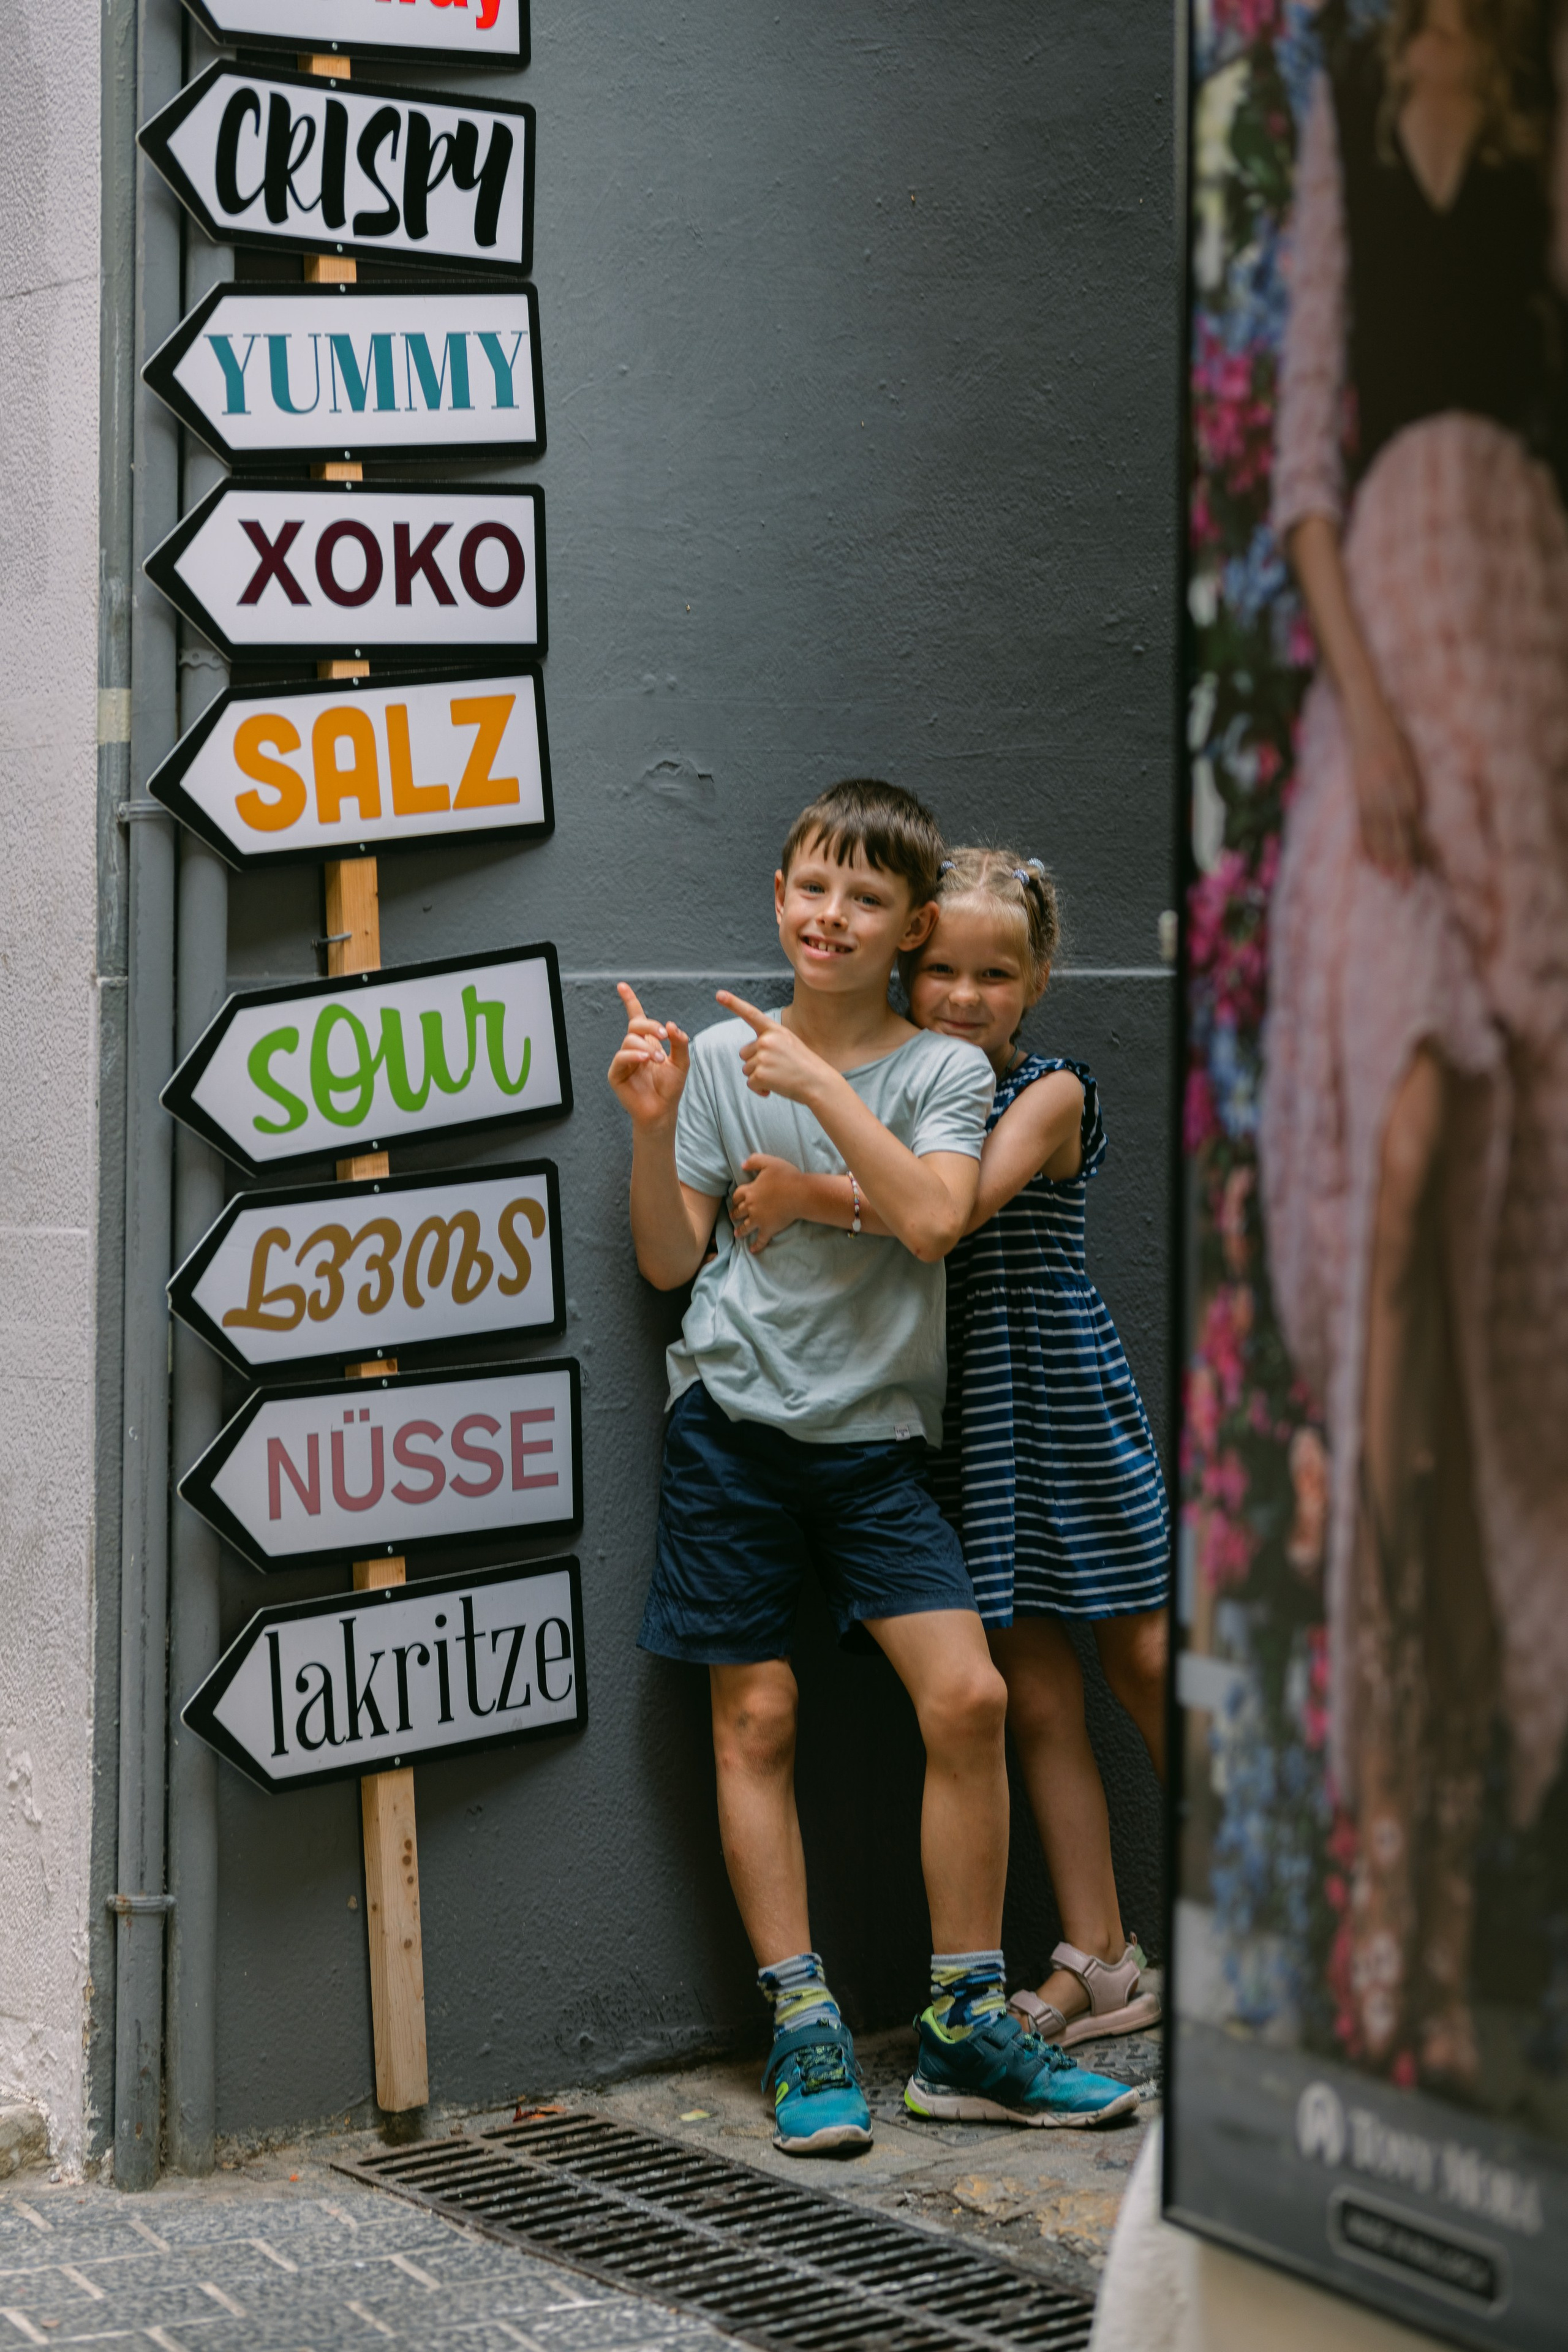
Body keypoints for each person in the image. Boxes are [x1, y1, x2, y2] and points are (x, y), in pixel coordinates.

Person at [608, 780, 1140, 2154]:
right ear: (779, 896)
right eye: (809, 888)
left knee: (964, 1697)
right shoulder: (725, 1054)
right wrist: (656, 1119)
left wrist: (820, 1088)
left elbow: (923, 1221)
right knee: (758, 1719)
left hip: (878, 1447)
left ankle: (962, 2023)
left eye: (861, 898)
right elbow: (672, 1264)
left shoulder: (950, 1071)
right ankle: (801, 2026)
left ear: (901, 930)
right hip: (728, 1426)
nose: (827, 916)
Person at [1262, 0, 1568, 2090]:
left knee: (1490, 1310)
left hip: (1526, 650)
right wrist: (1366, 722)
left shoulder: (1552, 104)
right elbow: (1296, 470)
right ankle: (1380, 1910)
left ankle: (1446, 1949)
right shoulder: (1346, 118)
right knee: (1394, 1236)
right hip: (1391, 687)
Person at [731, 849, 1170, 2056]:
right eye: (940, 972)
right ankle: (1099, 1956)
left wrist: (805, 1192)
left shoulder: (1051, 1092)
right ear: (906, 968)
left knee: (1143, 1660)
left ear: (1036, 980)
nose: (964, 996)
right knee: (1031, 1690)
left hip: (1063, 1400)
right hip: (967, 1422)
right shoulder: (903, 1091)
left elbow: (953, 1209)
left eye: (994, 973)